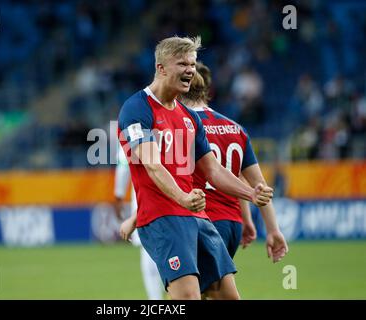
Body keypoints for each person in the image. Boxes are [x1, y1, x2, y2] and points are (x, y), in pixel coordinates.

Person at [117, 36, 273, 300]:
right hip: (163, 218)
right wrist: (183, 198)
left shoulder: (188, 117)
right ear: (161, 68)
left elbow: (213, 170)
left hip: (198, 218)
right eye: (182, 63)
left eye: (192, 63)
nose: (190, 69)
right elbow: (153, 166)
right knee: (188, 297)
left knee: (228, 297)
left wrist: (250, 193)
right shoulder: (136, 109)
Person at [179, 62, 288, 267]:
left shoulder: (183, 127)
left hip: (202, 222)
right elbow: (257, 183)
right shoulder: (235, 128)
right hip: (232, 224)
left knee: (187, 291)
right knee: (213, 289)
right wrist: (271, 229)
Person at [114, 144, 164, 300]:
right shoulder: (173, 128)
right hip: (178, 201)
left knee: (149, 255)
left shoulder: (134, 127)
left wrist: (118, 195)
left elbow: (123, 167)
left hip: (145, 203)